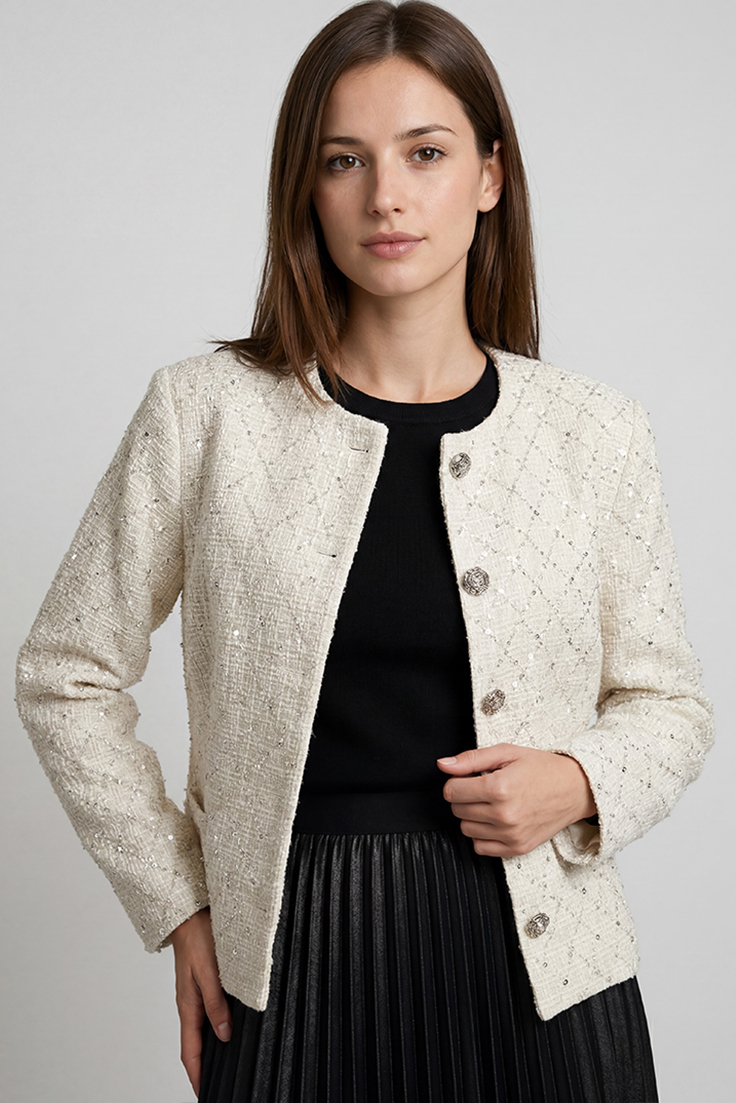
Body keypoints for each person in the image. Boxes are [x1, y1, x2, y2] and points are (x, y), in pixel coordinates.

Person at [15, 2, 714, 1101]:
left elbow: (668, 703)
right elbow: (65, 670)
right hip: (289, 963)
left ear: (489, 175)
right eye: (345, 160)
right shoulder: (205, 415)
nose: (385, 195)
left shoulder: (595, 432)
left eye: (425, 153)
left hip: (547, 970)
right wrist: (179, 902)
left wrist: (579, 779)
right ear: (306, 185)